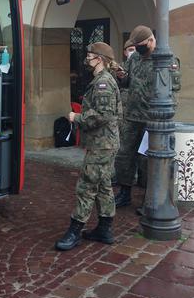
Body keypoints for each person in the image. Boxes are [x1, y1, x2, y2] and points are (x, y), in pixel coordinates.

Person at [55, 42, 122, 251]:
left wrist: (77, 117)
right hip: (103, 143)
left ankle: (75, 230)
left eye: (90, 56)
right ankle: (105, 229)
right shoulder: (103, 80)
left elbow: (103, 115)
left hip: (102, 144)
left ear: (99, 59)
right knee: (103, 186)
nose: (87, 59)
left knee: (86, 185)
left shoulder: (103, 83)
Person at [113, 25, 155, 208]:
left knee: (147, 161)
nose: (137, 48)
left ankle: (149, 199)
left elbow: (173, 92)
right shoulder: (135, 58)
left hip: (150, 119)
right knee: (124, 155)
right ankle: (124, 193)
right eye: (135, 45)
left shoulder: (165, 59)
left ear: (151, 40)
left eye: (140, 44)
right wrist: (121, 76)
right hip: (132, 116)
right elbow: (126, 81)